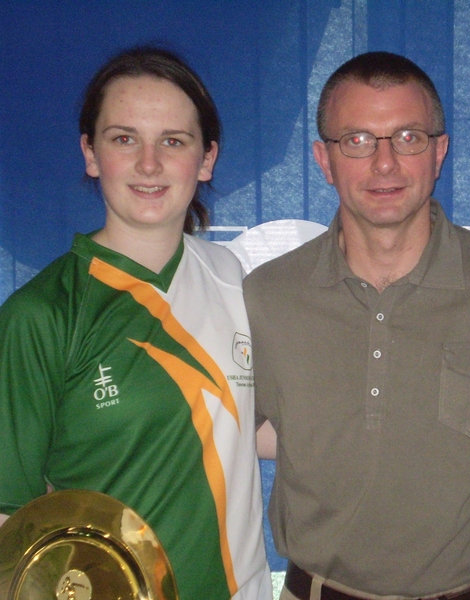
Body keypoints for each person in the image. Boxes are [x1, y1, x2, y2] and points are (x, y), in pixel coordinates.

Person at [244, 51, 470, 600]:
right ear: (324, 159)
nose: (384, 164)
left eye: (407, 137)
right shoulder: (267, 297)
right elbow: (238, 430)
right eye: (357, 140)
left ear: (440, 151)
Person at [0, 47, 272, 600]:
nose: (149, 164)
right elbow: (10, 520)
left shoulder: (235, 280)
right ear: (91, 153)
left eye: (173, 141)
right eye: (125, 139)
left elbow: (252, 429)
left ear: (206, 159)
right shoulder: (42, 315)